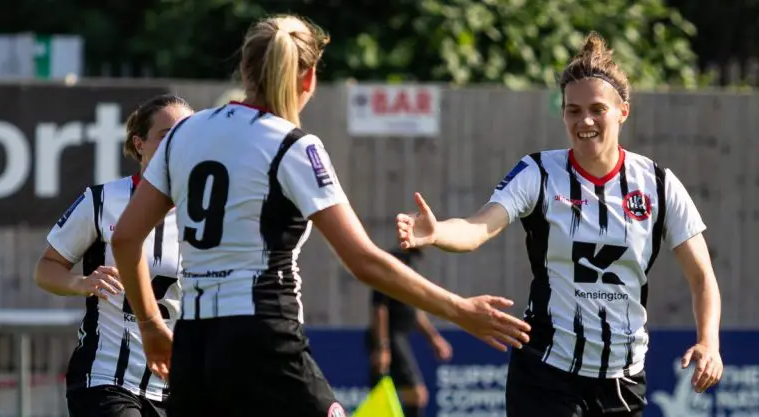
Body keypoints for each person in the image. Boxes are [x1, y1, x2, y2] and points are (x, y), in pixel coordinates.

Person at [109, 13, 531, 417]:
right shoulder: (291, 145)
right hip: (264, 338)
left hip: (194, 346)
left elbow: (126, 238)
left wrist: (150, 324)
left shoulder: (184, 133)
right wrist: (458, 309)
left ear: (243, 67)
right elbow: (363, 260)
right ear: (308, 78)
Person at [395, 32, 723, 417]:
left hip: (623, 378)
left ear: (623, 111)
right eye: (573, 110)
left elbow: (703, 277)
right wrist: (437, 233)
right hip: (545, 373)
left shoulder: (659, 184)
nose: (584, 120)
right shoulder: (539, 172)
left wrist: (709, 342)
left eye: (597, 109)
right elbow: (478, 227)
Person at [34, 94, 193, 417]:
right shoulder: (102, 199)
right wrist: (81, 282)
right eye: (166, 136)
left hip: (180, 385)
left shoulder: (205, 211)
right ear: (139, 144)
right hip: (106, 378)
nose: (179, 144)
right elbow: (46, 268)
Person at [367, 248, 452, 417]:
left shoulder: (410, 268)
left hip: (398, 339)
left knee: (412, 396)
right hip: (390, 340)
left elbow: (414, 313)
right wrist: (383, 347)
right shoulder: (388, 268)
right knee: (414, 395)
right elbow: (380, 310)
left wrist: (434, 338)